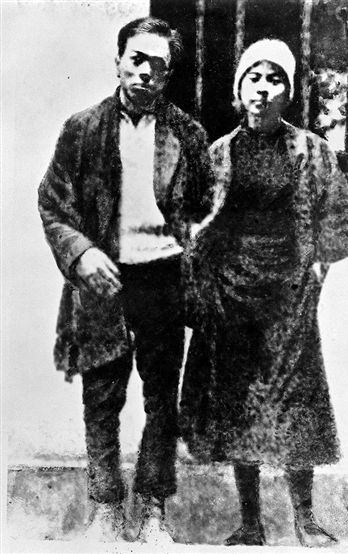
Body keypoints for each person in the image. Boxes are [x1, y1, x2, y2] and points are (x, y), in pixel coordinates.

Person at [180, 38, 348, 547]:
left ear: (289, 92)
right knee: (241, 406)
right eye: (254, 78)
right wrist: (205, 289)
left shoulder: (313, 151)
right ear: (238, 88)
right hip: (233, 296)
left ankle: (305, 520)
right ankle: (251, 524)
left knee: (295, 404)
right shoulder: (217, 154)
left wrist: (316, 275)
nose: (263, 89)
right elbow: (196, 228)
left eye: (274, 80)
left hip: (289, 297)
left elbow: (335, 223)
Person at [38, 17, 214, 544]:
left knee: (162, 400)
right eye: (137, 59)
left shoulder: (187, 133)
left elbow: (205, 204)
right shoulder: (82, 129)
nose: (145, 73)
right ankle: (107, 511)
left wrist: (190, 242)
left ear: (168, 75)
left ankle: (154, 511)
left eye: (158, 66)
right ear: (118, 61)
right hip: (102, 281)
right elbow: (52, 203)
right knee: (101, 397)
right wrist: (83, 253)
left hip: (164, 280)